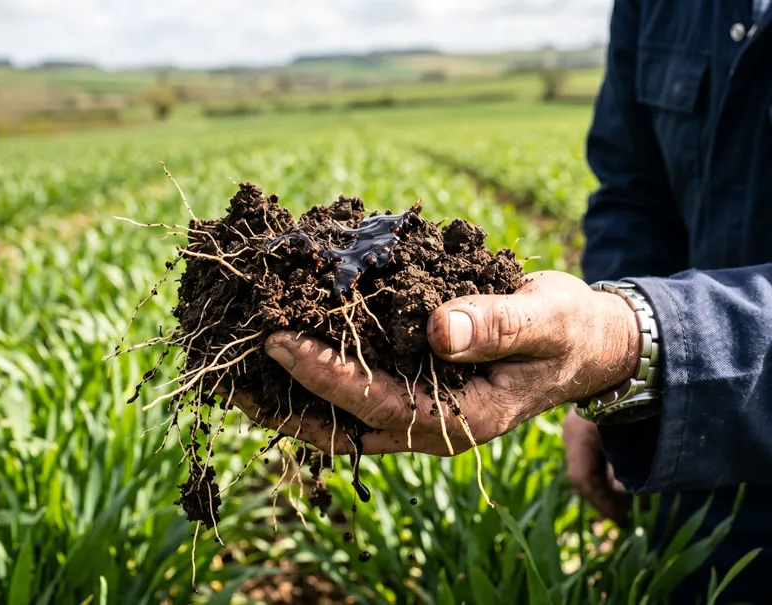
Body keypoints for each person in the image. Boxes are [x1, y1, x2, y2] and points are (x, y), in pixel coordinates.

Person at [230, 1, 772, 601]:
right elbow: (634, 197)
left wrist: (635, 343)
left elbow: (628, 328)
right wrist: (625, 387)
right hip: (683, 460)